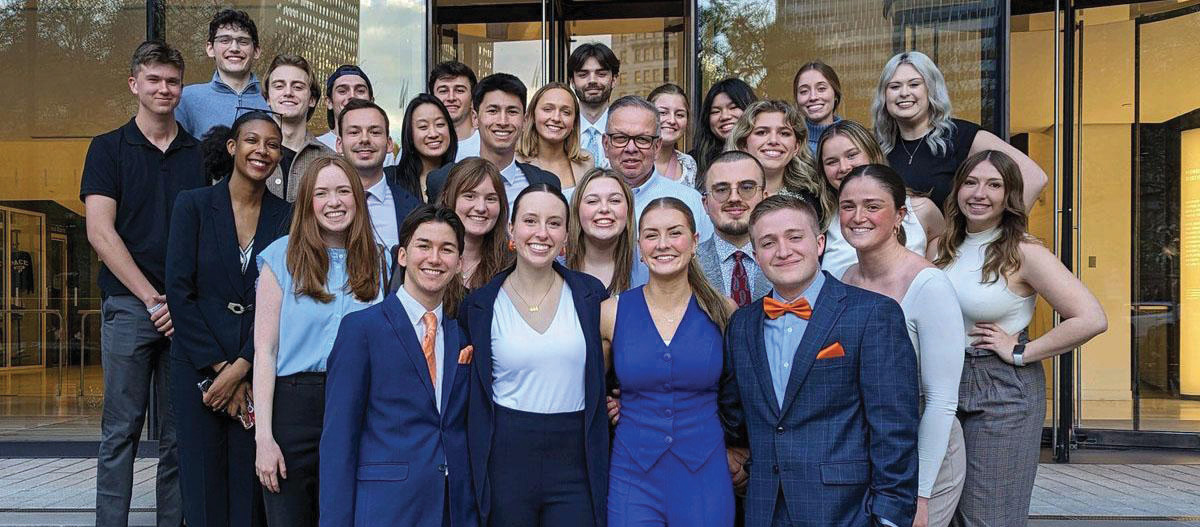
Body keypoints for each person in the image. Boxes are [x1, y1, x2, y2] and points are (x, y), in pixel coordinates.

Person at [719, 194, 919, 527]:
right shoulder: (742, 325)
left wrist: (890, 515)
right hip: (764, 507)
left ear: (820, 242)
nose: (783, 251)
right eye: (768, 243)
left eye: (795, 237)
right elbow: (733, 415)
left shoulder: (871, 314)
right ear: (756, 255)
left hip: (847, 511)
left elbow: (894, 428)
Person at [932, 150, 1106, 527]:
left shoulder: (1023, 251)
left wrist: (1022, 350)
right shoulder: (940, 247)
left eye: (994, 184)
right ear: (957, 188)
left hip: (1001, 389)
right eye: (971, 182)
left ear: (1009, 195)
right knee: (944, 514)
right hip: (942, 382)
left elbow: (1091, 318)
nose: (980, 193)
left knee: (988, 516)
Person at [81, 40, 199, 527]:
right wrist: (153, 297)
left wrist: (181, 301)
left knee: (177, 435)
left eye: (172, 81)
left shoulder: (200, 153)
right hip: (131, 308)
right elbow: (100, 232)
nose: (164, 89)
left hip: (184, 311)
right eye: (154, 80)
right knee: (120, 431)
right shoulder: (108, 148)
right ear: (135, 84)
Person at [166, 112, 292, 527]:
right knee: (201, 489)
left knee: (248, 492)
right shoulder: (193, 205)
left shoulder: (287, 217)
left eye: (272, 144)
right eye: (252, 140)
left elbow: (284, 302)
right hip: (198, 365)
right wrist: (221, 370)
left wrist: (243, 368)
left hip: (256, 366)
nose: (262, 150)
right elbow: (180, 294)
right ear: (232, 147)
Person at [459, 184, 610, 527]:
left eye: (554, 223)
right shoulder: (480, 305)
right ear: (511, 229)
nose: (542, 233)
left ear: (567, 235)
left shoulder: (590, 296)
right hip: (507, 457)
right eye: (530, 220)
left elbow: (612, 367)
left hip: (575, 458)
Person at [321, 206, 478, 527]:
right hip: (385, 507)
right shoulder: (361, 329)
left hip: (451, 508)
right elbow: (339, 441)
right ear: (403, 255)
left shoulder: (460, 335)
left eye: (446, 249)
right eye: (424, 246)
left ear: (459, 264)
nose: (434, 258)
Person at [252, 156, 387, 527]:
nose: (334, 201)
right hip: (293, 407)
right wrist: (264, 438)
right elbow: (265, 352)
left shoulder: (378, 261)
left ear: (357, 198)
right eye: (322, 193)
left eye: (344, 191)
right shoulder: (280, 257)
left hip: (358, 403)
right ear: (307, 202)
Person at [835, 164, 965, 527]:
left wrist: (920, 495)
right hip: (877, 449)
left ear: (900, 216)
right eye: (848, 206)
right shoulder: (848, 278)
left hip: (926, 451)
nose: (858, 217)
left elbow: (941, 401)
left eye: (872, 206)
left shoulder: (928, 285)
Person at [602, 197, 737, 527]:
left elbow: (738, 393)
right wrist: (606, 404)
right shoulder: (611, 312)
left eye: (674, 233)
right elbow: (589, 385)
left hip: (704, 472)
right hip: (633, 473)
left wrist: (742, 448)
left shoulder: (724, 311)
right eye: (651, 235)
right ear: (639, 247)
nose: (662, 244)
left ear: (693, 243)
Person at [873, 51, 1046, 209]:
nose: (904, 93)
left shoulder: (961, 136)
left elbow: (1034, 177)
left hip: (950, 243)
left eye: (914, 84)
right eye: (894, 86)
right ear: (884, 95)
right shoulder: (880, 146)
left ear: (931, 90)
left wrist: (1001, 235)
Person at [815, 120, 944, 278]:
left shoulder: (920, 208)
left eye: (851, 155)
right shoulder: (820, 219)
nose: (843, 167)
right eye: (832, 162)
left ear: (873, 154)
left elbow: (941, 247)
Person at [426, 73, 561, 207]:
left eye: (512, 112)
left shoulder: (546, 183)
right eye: (493, 111)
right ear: (475, 118)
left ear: (525, 121)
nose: (503, 121)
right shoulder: (443, 180)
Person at [603, 95, 713, 243]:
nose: (631, 148)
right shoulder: (580, 201)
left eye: (642, 139)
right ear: (605, 144)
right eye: (620, 138)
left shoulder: (691, 202)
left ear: (657, 146)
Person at [335, 98, 422, 251]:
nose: (364, 139)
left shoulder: (414, 209)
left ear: (389, 144)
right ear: (339, 144)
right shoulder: (317, 204)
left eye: (374, 132)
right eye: (354, 132)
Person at [725, 100, 830, 223]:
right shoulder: (722, 195)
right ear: (744, 144)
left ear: (796, 147)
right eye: (762, 132)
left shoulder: (814, 200)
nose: (773, 140)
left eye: (784, 133)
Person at [434, 157, 513, 310]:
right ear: (447, 197)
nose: (481, 207)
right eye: (470, 196)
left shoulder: (512, 266)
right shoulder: (427, 259)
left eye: (491, 199)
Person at [176, 9, 268, 139]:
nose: (234, 48)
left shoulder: (271, 98)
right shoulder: (186, 99)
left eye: (243, 41)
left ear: (257, 51)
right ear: (210, 49)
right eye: (225, 40)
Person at [697, 151, 770, 306]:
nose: (734, 198)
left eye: (747, 187)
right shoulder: (688, 264)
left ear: (765, 197)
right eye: (722, 190)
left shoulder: (789, 258)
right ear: (705, 204)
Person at [262, 53, 333, 202]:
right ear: (268, 97)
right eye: (279, 86)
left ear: (312, 99)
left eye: (298, 87)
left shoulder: (330, 161)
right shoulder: (245, 155)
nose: (288, 92)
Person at [566, 168, 636, 294]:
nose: (604, 209)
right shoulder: (556, 267)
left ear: (628, 210)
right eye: (592, 201)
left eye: (614, 200)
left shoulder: (647, 268)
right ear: (577, 210)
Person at [316, 64, 398, 166]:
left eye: (360, 91)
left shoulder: (382, 150)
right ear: (329, 102)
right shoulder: (315, 148)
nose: (352, 96)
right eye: (342, 91)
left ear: (371, 101)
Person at [516, 82, 593, 189]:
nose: (556, 118)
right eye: (548, 109)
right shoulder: (514, 161)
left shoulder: (586, 162)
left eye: (566, 112)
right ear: (532, 116)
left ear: (574, 122)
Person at [391, 93, 458, 201]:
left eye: (440, 124)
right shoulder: (391, 180)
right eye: (423, 127)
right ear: (410, 134)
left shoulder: (463, 178)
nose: (433, 134)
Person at [690, 78, 756, 178]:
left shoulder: (765, 153)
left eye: (733, 107)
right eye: (716, 111)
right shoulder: (693, 162)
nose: (725, 116)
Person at [570, 43, 621, 168]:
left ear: (614, 80)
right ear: (572, 81)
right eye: (583, 74)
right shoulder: (561, 130)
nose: (592, 80)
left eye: (601, 74)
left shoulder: (626, 129)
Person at [428, 61, 481, 160]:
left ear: (472, 99)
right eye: (443, 91)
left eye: (459, 90)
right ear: (433, 98)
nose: (451, 98)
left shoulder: (487, 147)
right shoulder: (417, 148)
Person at [648, 83, 698, 188]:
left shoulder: (688, 164)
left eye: (679, 115)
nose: (672, 120)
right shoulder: (631, 158)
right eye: (663, 113)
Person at [793, 61, 843, 155]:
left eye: (821, 89)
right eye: (804, 91)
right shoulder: (791, 143)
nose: (813, 97)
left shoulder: (856, 139)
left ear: (835, 94)